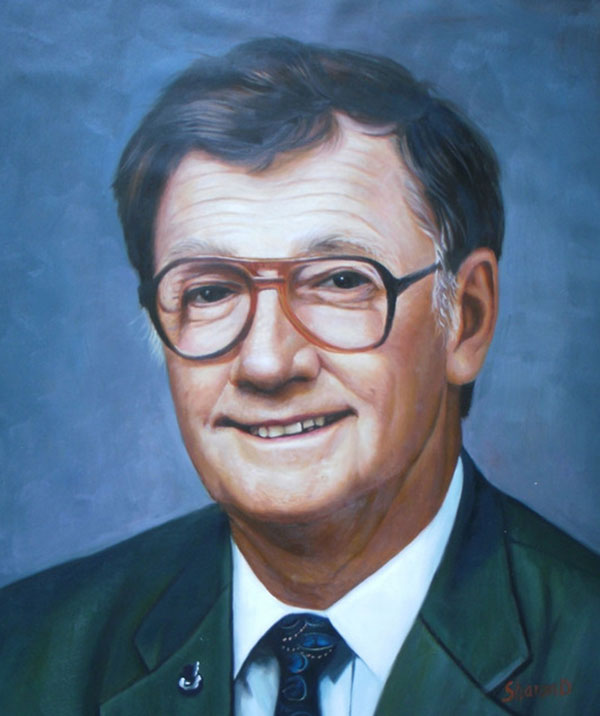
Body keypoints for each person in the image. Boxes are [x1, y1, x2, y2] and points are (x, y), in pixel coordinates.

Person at [1, 37, 598, 716]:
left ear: (465, 319)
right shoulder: (23, 657)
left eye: (340, 281)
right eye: (210, 291)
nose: (267, 362)